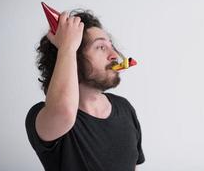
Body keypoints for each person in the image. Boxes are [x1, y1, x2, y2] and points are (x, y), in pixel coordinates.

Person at [25, 9, 145, 171]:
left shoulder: (125, 108)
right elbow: (65, 112)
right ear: (72, 56)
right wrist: (66, 46)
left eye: (111, 45)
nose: (114, 55)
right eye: (101, 47)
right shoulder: (43, 115)